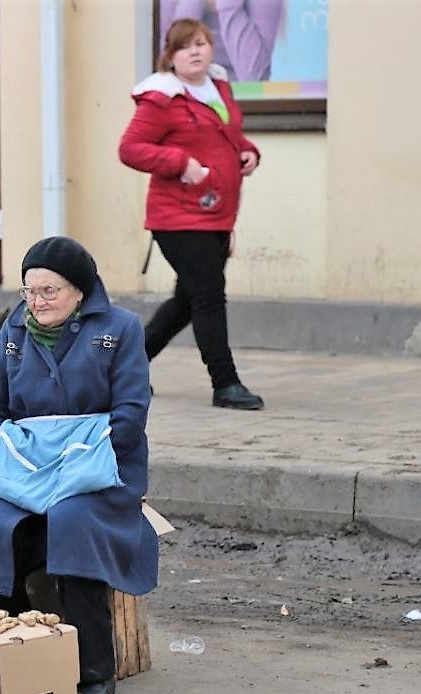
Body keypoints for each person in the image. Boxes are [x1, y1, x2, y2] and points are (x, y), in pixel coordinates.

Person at [0, 237, 159, 694]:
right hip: (29, 471)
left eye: (49, 291)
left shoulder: (121, 329)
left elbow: (131, 414)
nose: (37, 302)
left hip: (97, 469)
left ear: (81, 291)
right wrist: (4, 446)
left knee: (73, 521)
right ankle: (3, 650)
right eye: (29, 292)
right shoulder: (12, 333)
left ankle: (94, 665)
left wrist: (80, 457)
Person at [119, 18, 265, 410]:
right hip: (177, 216)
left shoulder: (218, 87)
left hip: (217, 212)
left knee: (188, 300)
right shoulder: (162, 98)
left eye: (201, 43)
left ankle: (122, 371)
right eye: (186, 47)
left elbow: (228, 135)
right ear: (171, 55)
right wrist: (179, 161)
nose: (196, 51)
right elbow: (130, 149)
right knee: (209, 295)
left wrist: (247, 151)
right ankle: (226, 383)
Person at [159, 0, 284, 82]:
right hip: (186, 102)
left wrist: (228, 6)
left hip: (240, 106)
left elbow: (253, 79)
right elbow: (169, 66)